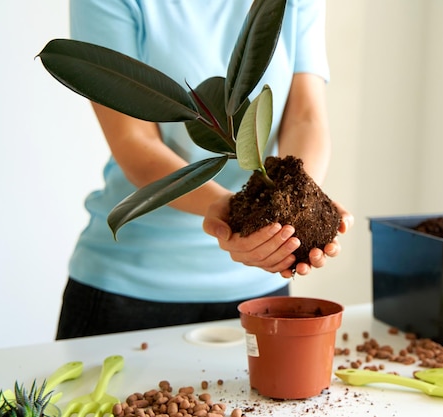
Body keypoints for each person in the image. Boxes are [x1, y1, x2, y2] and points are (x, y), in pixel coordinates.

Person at [56, 0, 353, 339]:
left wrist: (303, 202)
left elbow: (305, 116)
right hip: (131, 286)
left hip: (260, 287)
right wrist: (232, 215)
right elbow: (136, 143)